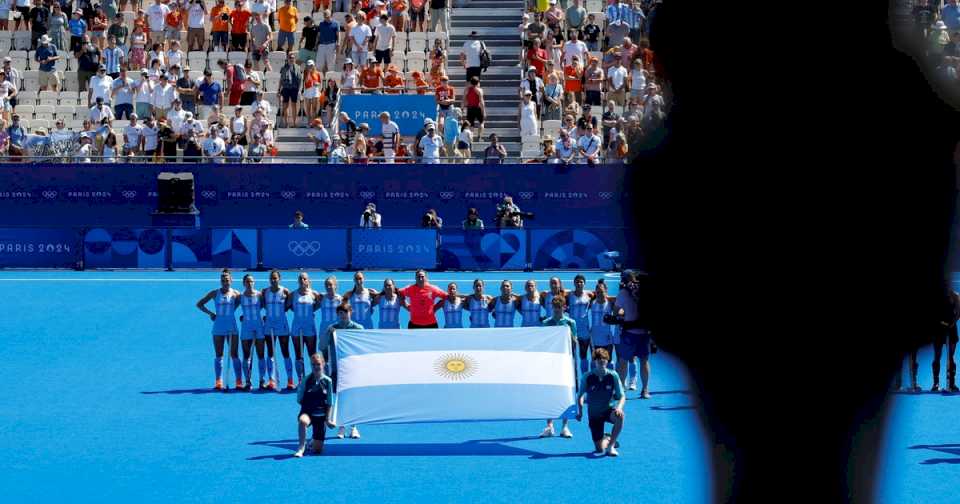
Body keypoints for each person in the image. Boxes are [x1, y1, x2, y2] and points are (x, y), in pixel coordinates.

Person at [320, 303, 363, 440]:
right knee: (339, 397)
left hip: (353, 369)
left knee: (353, 397)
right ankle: (342, 426)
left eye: (345, 312)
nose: (343, 315)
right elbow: (322, 346)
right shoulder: (333, 329)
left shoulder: (358, 329)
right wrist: (328, 333)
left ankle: (354, 427)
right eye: (340, 313)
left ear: (351, 312)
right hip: (337, 369)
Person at [196, 269, 241, 390]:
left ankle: (238, 381)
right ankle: (218, 381)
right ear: (220, 281)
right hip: (218, 327)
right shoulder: (214, 293)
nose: (225, 282)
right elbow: (199, 304)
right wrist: (211, 313)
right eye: (223, 280)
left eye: (227, 280)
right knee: (219, 354)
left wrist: (236, 314)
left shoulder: (236, 294)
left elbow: (242, 305)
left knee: (234, 354)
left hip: (232, 327)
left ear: (231, 280)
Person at [611, 270, 652, 398]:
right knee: (644, 361)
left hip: (629, 333)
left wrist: (624, 313)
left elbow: (616, 313)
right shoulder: (645, 290)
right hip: (644, 332)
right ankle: (645, 390)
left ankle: (620, 390)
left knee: (623, 361)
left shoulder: (623, 293)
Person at [577, 347, 625, 456]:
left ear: (607, 360)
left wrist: (619, 407)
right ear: (594, 361)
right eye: (598, 359)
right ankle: (608, 439)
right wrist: (580, 412)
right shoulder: (587, 376)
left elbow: (622, 396)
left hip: (608, 410)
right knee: (599, 449)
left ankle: (611, 446)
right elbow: (580, 395)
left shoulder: (613, 375)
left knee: (620, 416)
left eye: (604, 358)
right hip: (594, 415)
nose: (601, 361)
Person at [541, 296, 576, 438]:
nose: (556, 310)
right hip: (550, 363)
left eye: (559, 307)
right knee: (549, 393)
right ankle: (549, 426)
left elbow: (574, 343)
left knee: (565, 394)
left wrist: (568, 335)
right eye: (554, 307)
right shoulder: (546, 323)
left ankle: (565, 426)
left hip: (565, 363)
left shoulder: (570, 323)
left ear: (564, 308)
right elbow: (543, 343)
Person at [293, 353, 337, 457]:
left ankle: (313, 440)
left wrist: (328, 419)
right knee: (303, 421)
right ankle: (301, 447)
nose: (316, 367)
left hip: (321, 418)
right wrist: (309, 407)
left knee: (317, 451)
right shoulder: (306, 380)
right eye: (313, 364)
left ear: (323, 364)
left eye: (318, 364)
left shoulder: (328, 381)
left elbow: (330, 402)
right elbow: (299, 399)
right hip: (307, 413)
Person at [287, 271, 321, 385]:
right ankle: (301, 379)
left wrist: (311, 312)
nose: (302, 280)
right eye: (301, 279)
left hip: (310, 327)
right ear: (298, 281)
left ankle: (314, 378)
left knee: (312, 354)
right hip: (297, 327)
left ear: (308, 281)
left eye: (305, 279)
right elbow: (286, 307)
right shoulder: (293, 294)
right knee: (298, 354)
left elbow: (318, 305)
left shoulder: (314, 294)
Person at [260, 270, 289, 390]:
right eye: (271, 278)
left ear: (279, 279)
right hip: (269, 325)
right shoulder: (264, 292)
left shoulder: (285, 291)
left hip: (282, 325)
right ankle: (271, 380)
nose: (273, 280)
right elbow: (260, 305)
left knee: (285, 352)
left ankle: (290, 380)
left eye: (275, 278)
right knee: (270, 352)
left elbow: (290, 305)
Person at [567, 274, 593, 372]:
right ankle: (573, 375)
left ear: (584, 283)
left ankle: (584, 376)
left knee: (583, 354)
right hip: (572, 328)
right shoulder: (569, 295)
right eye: (577, 282)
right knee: (571, 353)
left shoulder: (589, 294)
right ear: (574, 283)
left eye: (581, 282)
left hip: (584, 329)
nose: (579, 283)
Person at [589, 281, 618, 363]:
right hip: (594, 338)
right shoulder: (591, 303)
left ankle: (609, 375)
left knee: (608, 360)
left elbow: (620, 300)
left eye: (602, 292)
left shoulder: (611, 303)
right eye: (598, 292)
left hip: (607, 338)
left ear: (606, 292)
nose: (600, 294)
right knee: (594, 360)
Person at [278, 53, 302, 127]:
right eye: (290, 58)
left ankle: (294, 123)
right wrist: (278, 89)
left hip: (294, 88)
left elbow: (300, 79)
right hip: (286, 88)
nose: (291, 59)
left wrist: (299, 90)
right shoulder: (283, 68)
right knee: (285, 105)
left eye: (293, 58)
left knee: (294, 105)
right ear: (287, 59)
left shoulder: (298, 67)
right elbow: (281, 79)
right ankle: (286, 123)